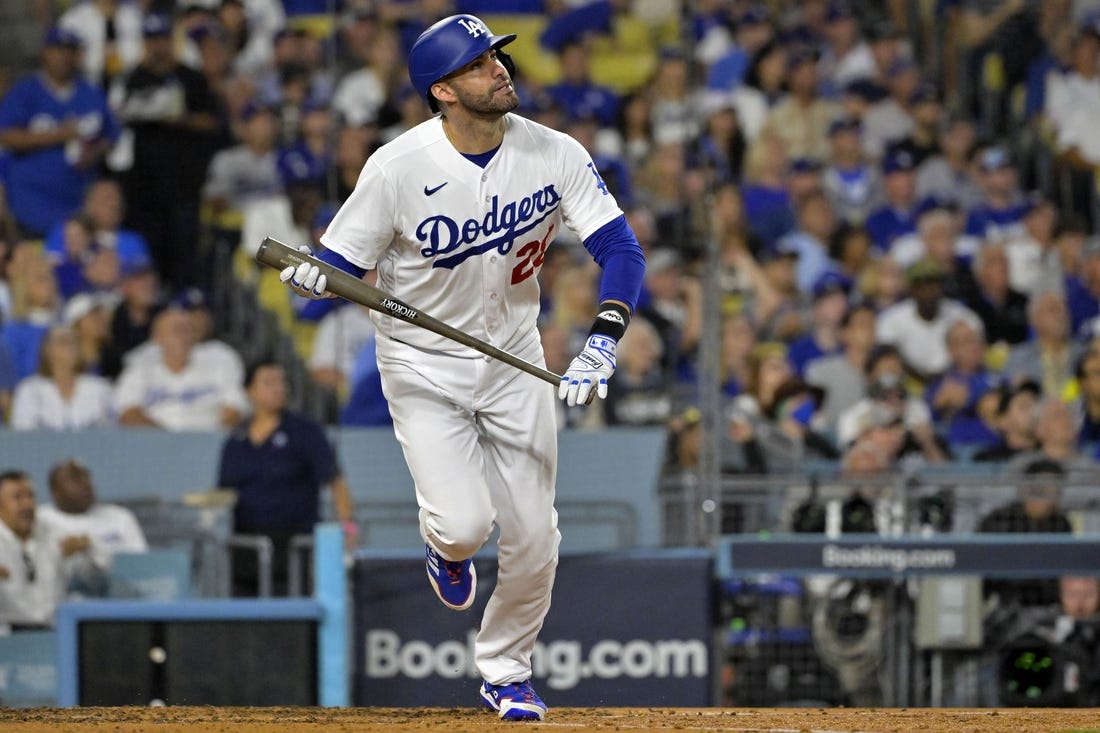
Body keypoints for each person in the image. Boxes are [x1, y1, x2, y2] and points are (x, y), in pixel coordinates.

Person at [278, 14, 646, 721]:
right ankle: (444, 547)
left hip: (515, 355)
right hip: (423, 362)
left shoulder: (554, 151)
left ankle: (506, 670)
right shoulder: (395, 168)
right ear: (443, 89)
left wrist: (602, 337)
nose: (499, 69)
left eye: (497, 57)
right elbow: (332, 273)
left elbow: (621, 251)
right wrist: (315, 282)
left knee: (537, 535)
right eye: (479, 64)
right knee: (465, 526)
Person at [217, 361, 355, 596]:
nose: (279, 388)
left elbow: (336, 483)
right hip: (247, 548)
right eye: (269, 382)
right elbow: (224, 492)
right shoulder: (236, 439)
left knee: (295, 612)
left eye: (282, 382)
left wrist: (349, 530)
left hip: (295, 548)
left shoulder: (305, 431)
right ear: (249, 391)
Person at [0, 26, 120, 238]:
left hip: (78, 207)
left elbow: (112, 134)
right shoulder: (25, 92)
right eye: (58, 49)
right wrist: (59, 135)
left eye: (69, 50)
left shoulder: (90, 93)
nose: (63, 56)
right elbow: (7, 136)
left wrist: (96, 151)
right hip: (30, 206)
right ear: (45, 53)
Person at [113, 305, 247, 430]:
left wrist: (208, 440)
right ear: (157, 337)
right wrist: (169, 442)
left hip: (208, 443)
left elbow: (235, 409)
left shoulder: (219, 364)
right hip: (152, 446)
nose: (184, 337)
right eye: (177, 331)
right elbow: (128, 412)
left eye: (188, 331)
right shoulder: (139, 369)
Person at [0, 470, 101, 629]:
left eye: (31, 496)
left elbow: (94, 583)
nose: (27, 504)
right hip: (6, 636)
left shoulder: (57, 535)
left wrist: (85, 553)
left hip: (54, 631)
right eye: (17, 497)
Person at [37, 459, 147, 573]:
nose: (85, 484)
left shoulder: (120, 518)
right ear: (55, 491)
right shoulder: (39, 521)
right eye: (75, 478)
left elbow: (140, 566)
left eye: (86, 476)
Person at [9, 324, 113, 430]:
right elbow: (22, 435)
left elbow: (109, 434)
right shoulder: (29, 390)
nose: (70, 346)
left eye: (74, 341)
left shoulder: (99, 388)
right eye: (63, 341)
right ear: (47, 350)